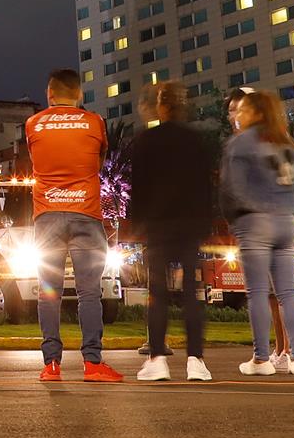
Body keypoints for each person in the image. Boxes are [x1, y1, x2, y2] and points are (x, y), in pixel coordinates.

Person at [24, 68, 122, 384]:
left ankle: (51, 364)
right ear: (79, 94)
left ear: (49, 94)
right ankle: (93, 363)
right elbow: (98, 163)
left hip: (47, 215)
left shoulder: (33, 124)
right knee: (89, 293)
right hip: (86, 214)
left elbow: (37, 159)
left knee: (48, 292)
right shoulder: (94, 122)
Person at [121, 82, 216, 382]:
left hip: (158, 225)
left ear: (162, 107)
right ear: (183, 106)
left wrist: (137, 226)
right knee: (191, 292)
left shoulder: (146, 141)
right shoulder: (196, 141)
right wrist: (206, 224)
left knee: (158, 293)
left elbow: (139, 189)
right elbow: (206, 188)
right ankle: (196, 360)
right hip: (189, 225)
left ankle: (157, 358)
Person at [220, 89, 294, 377]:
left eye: (245, 110)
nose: (239, 115)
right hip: (286, 221)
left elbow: (230, 187)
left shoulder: (242, 143)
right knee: (287, 292)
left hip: (255, 221)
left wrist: (235, 220)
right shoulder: (288, 144)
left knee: (257, 293)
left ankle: (261, 359)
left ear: (258, 112)